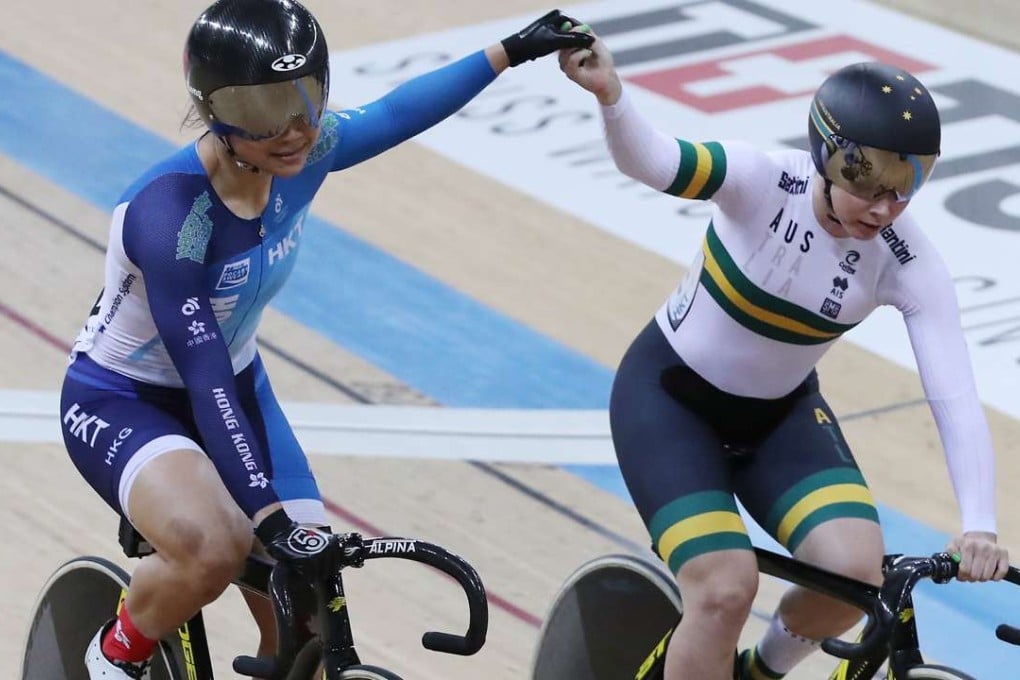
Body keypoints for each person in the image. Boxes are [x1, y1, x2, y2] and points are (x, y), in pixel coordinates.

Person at [59, 1, 593, 677]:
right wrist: (267, 516)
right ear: (214, 111)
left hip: (238, 387)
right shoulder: (171, 217)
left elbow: (398, 113)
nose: (292, 130)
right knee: (218, 546)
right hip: (125, 400)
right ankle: (113, 656)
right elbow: (203, 376)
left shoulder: (308, 152)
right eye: (262, 110)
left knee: (309, 600)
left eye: (305, 97)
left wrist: (511, 49)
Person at [560, 28, 1009, 680]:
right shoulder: (761, 180)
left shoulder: (910, 263)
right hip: (669, 401)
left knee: (855, 575)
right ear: (828, 155)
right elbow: (653, 161)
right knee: (723, 590)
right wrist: (612, 97)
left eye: (908, 182)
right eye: (872, 180)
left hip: (777, 418)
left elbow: (954, 392)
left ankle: (758, 673)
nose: (888, 206)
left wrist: (980, 526)